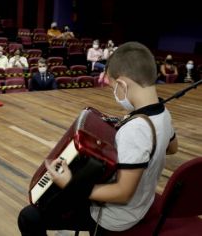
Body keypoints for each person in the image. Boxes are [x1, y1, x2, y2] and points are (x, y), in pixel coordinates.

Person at [18, 42, 178, 235]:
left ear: (122, 84)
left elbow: (122, 193)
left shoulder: (135, 129)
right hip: (142, 203)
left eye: (113, 88)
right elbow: (173, 148)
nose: (114, 94)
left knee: (29, 217)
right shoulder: (163, 113)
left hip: (113, 218)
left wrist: (71, 185)